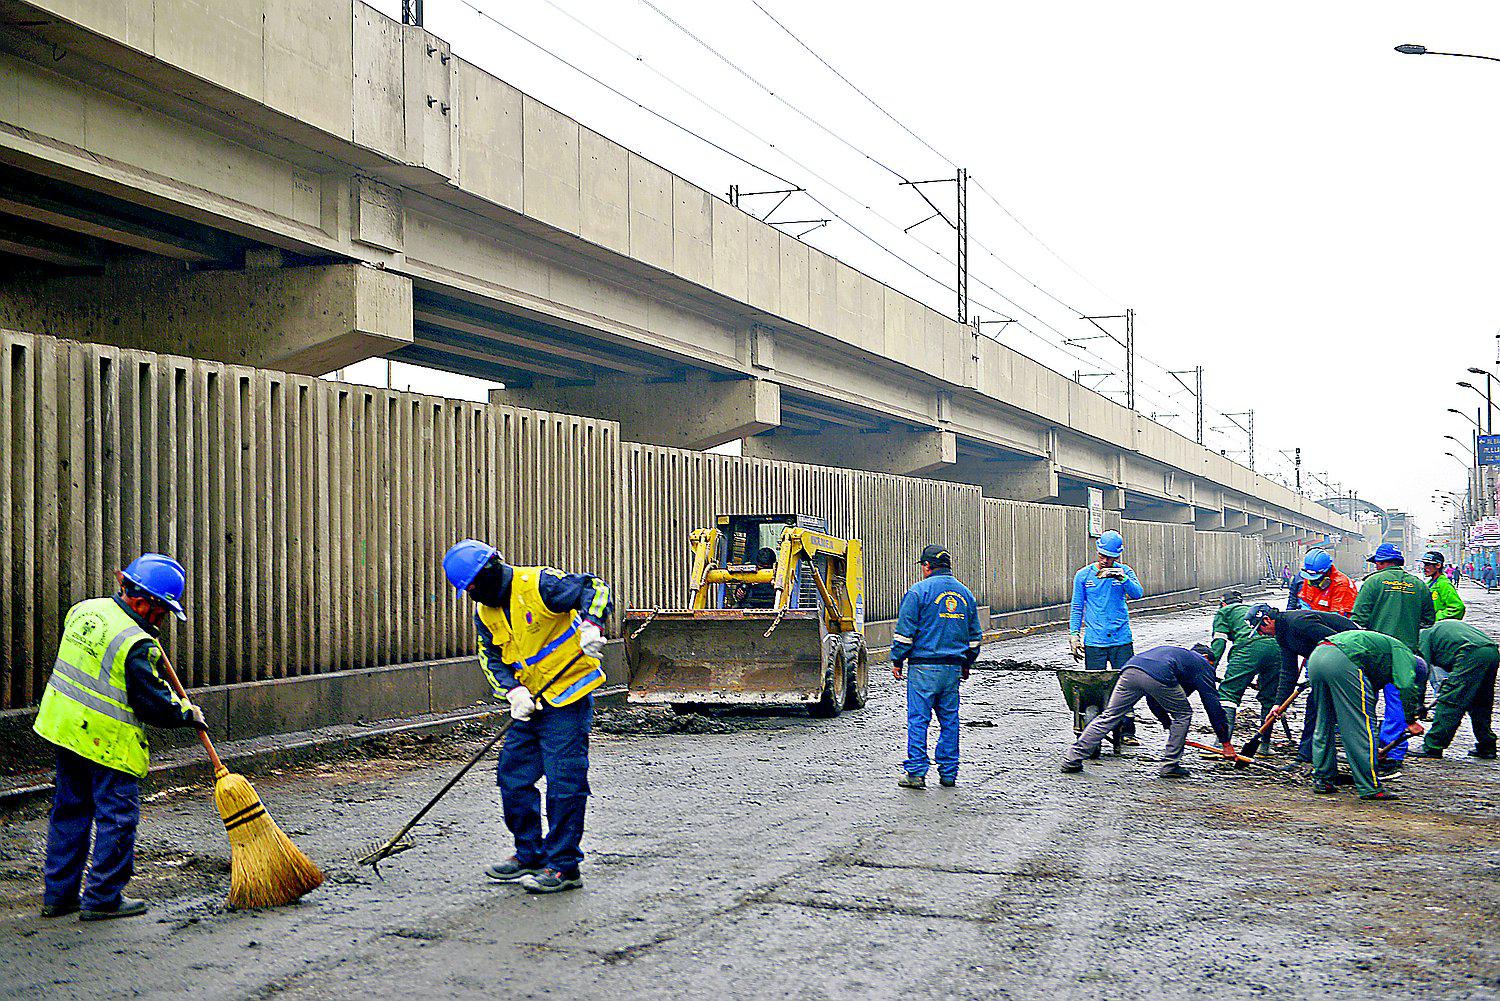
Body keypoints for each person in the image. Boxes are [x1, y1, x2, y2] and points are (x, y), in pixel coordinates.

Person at [32, 554, 204, 920]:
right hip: (106, 741)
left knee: (70, 811)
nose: (161, 621)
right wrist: (186, 713)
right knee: (118, 818)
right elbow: (153, 703)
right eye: (163, 612)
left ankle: (59, 895)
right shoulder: (137, 643)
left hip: (64, 728)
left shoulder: (84, 610)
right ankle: (103, 898)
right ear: (146, 603)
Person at [442, 539, 612, 894]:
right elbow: (491, 658)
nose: (472, 596)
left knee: (564, 784)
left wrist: (592, 625)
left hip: (567, 698)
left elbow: (594, 588)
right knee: (513, 778)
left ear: (489, 573)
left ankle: (564, 866)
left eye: (472, 587)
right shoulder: (485, 613)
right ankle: (530, 853)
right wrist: (512, 692)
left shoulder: (539, 584)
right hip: (529, 704)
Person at [1061, 644, 1235, 778]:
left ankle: (1072, 758)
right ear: (1206, 657)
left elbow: (1154, 700)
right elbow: (1212, 705)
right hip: (1158, 674)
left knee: (1109, 716)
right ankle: (1170, 765)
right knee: (1183, 715)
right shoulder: (1202, 664)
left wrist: (1167, 724)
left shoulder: (1178, 656)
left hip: (1130, 669)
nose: (1211, 669)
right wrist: (1225, 743)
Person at [891, 544, 982, 789]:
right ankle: (949, 773)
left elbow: (905, 634)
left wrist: (897, 660)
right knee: (949, 721)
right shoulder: (965, 594)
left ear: (927, 566)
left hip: (923, 668)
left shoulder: (918, 592)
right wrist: (966, 663)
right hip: (952, 669)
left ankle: (916, 773)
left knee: (919, 720)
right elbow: (974, 638)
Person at [1304, 630, 1423, 800]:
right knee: (1361, 727)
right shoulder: (1406, 656)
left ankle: (1323, 779)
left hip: (1317, 657)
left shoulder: (1382, 656)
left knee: (1324, 722)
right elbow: (1406, 686)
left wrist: (1372, 750)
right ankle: (1370, 787)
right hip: (1343, 660)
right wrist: (1410, 721)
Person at [1350, 544, 1433, 770]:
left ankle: (1367, 749)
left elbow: (1358, 619)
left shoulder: (1373, 582)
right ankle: (1393, 753)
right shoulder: (1419, 585)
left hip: (1375, 653)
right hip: (1405, 653)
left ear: (1380, 563)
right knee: (1397, 703)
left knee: (1366, 701)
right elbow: (1428, 620)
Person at [1246, 605, 1357, 764]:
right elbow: (1288, 671)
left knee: (1341, 710)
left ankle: (1361, 756)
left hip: (1351, 659)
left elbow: (1340, 642)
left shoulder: (1299, 623)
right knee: (1314, 706)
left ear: (1267, 620)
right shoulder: (1282, 635)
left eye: (1260, 629)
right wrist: (1279, 704)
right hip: (1329, 663)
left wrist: (1324, 671)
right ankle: (1305, 757)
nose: (1261, 634)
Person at [1069, 530, 1145, 742]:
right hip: (1095, 641)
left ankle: (1127, 731)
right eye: (1102, 556)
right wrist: (1074, 635)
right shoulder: (1084, 576)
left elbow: (1138, 593)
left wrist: (1122, 578)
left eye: (1110, 558)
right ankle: (1094, 727)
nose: (1105, 561)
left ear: (1117, 556)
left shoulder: (1124, 572)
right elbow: (1077, 607)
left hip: (1121, 639)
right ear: (1097, 552)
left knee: (1126, 684)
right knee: (1093, 687)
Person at [1412, 619, 1499, 760]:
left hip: (1469, 653)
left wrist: (1417, 704)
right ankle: (1487, 745)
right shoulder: (1435, 629)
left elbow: (1421, 671)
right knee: (1480, 702)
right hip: (1491, 651)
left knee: (1451, 700)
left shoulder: (1422, 637)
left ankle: (1433, 746)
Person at [1208, 590, 1281, 735]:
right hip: (1276, 648)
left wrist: (1210, 669)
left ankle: (1222, 742)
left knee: (1228, 694)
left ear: (1223, 604)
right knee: (1269, 698)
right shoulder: (1252, 610)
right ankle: (1264, 744)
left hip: (1248, 647)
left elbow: (1219, 644)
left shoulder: (1224, 612)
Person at [1295, 549, 1357, 617]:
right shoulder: (1310, 578)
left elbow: (1337, 618)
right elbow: (1304, 601)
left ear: (1327, 572)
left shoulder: (1342, 585)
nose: (1313, 583)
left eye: (1316, 579)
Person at [1419, 551, 1465, 622]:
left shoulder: (1444, 584)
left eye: (1428, 565)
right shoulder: (1429, 583)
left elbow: (1457, 607)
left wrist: (1435, 618)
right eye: (1425, 565)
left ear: (1438, 565)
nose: (1425, 568)